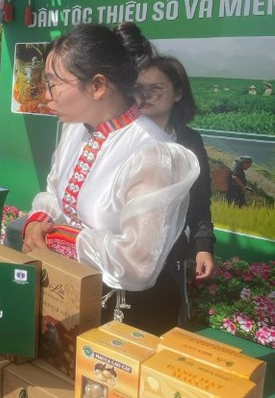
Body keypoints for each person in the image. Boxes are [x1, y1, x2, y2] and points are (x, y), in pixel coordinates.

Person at [22, 23, 199, 335]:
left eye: (53, 83)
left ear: (97, 86)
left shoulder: (152, 152)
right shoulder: (76, 130)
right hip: (73, 293)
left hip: (128, 313)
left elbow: (137, 263)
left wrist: (59, 238)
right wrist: (39, 221)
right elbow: (55, 192)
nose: (46, 95)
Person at [136, 56, 216, 324]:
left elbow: (200, 197)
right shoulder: (122, 139)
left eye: (155, 89)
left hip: (171, 256)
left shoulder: (189, 141)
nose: (145, 96)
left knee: (163, 323)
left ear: (178, 93)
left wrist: (203, 246)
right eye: (139, 89)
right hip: (124, 255)